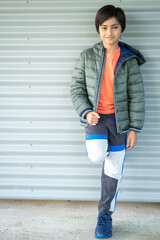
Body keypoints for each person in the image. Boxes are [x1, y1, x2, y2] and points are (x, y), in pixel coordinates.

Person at [70, 4, 146, 239]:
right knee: (97, 155)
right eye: (104, 27)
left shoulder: (129, 60)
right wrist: (85, 112)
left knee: (114, 171)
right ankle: (97, 147)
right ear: (98, 29)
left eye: (114, 27)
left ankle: (105, 216)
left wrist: (134, 129)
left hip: (120, 123)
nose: (109, 32)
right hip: (97, 119)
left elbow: (137, 96)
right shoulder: (87, 56)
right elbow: (76, 88)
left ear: (121, 29)